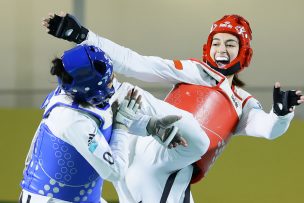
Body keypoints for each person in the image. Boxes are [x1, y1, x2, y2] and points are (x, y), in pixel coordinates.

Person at [43, 13, 304, 203]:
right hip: (141, 152)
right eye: (217, 43)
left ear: (244, 52)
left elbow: (268, 129)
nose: (221, 49)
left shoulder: (243, 102)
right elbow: (136, 63)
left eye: (230, 44)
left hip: (163, 171)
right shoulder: (195, 71)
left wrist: (282, 114)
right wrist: (84, 37)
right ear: (208, 48)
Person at [20, 44, 209, 203]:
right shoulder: (72, 120)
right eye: (109, 81)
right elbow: (114, 171)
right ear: (90, 88)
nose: (114, 83)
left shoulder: (78, 95)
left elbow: (106, 117)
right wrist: (122, 126)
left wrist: (150, 126)